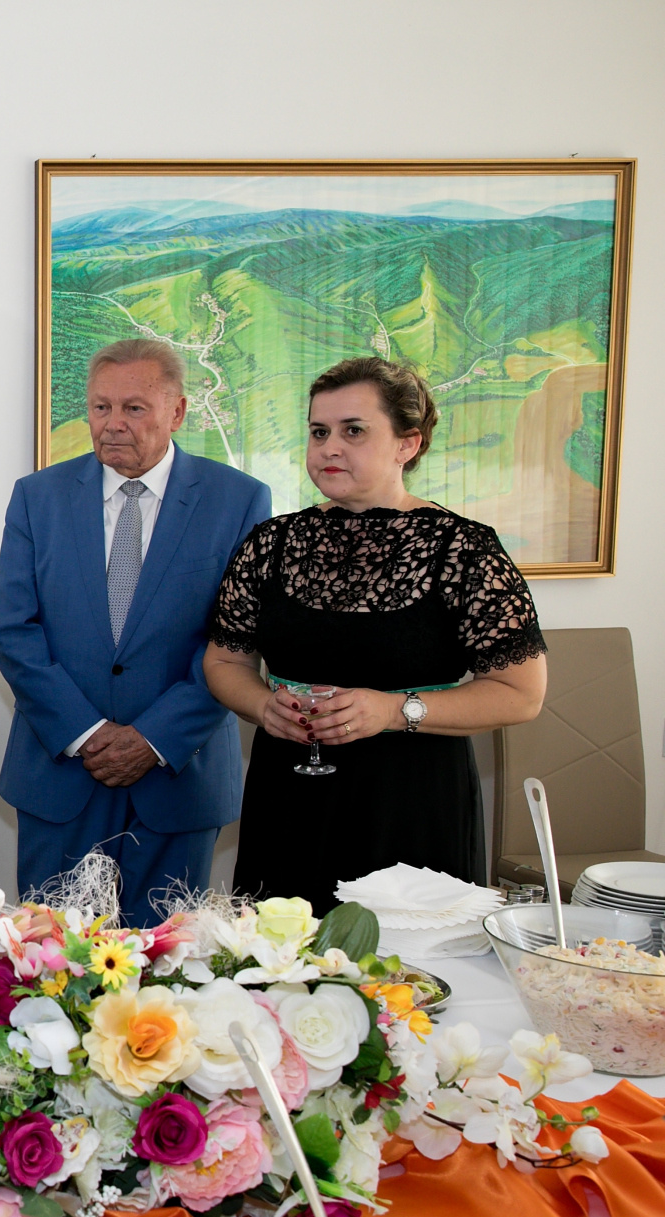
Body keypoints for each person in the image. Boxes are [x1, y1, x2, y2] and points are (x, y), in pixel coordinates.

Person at [205, 357, 547, 912]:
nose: (330, 448)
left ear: (407, 444)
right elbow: (225, 663)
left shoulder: (465, 550)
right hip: (290, 799)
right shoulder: (270, 544)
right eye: (319, 432)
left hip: (413, 805)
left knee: (406, 963)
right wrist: (262, 706)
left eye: (354, 431)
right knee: (278, 956)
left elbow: (521, 694)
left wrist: (393, 710)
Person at [0, 338, 272, 923]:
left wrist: (153, 738)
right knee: (53, 957)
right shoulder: (37, 497)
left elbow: (238, 642)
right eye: (101, 407)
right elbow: (16, 631)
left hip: (178, 775)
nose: (113, 423)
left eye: (134, 408)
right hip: (63, 771)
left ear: (178, 411)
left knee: (167, 962)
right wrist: (87, 732)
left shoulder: (238, 500)